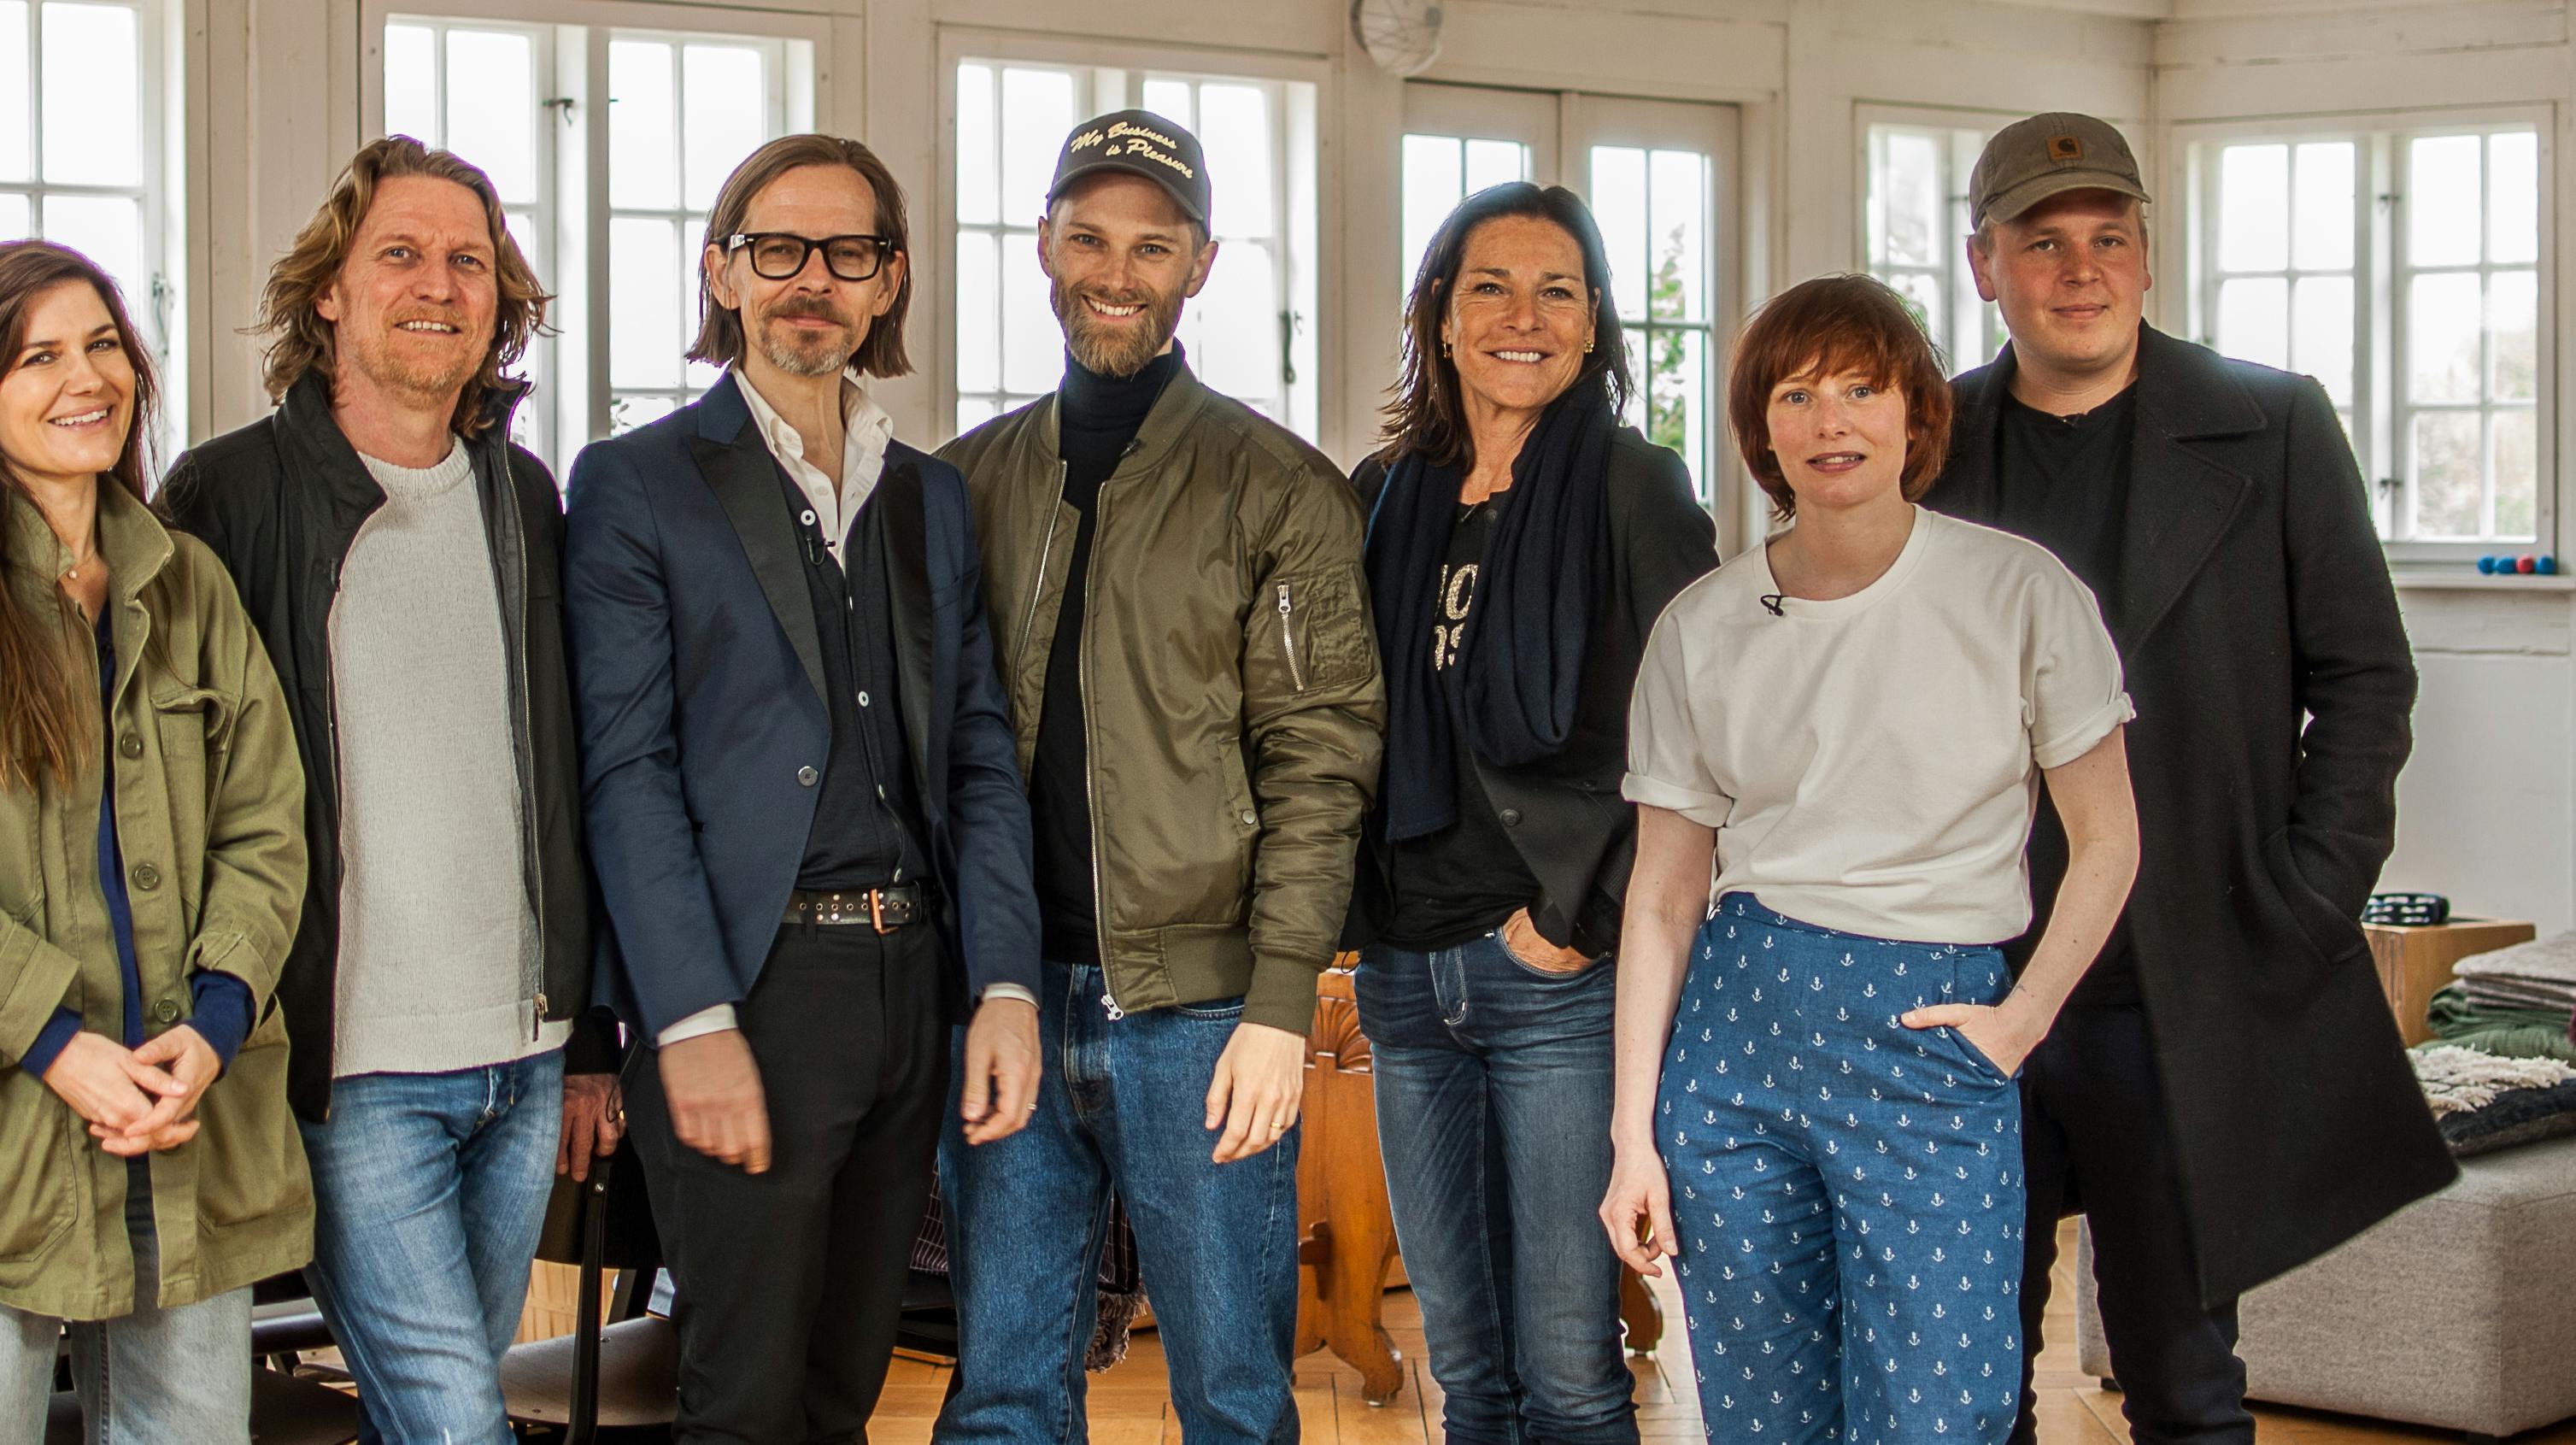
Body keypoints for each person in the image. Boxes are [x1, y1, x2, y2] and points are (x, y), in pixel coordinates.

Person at [1926, 113, 2456, 1445]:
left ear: (2147, 258)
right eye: (2043, 243)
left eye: (2109, 239)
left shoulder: (2272, 424)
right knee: (1962, 1380)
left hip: (2181, 976)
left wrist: (2309, 898)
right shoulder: (1928, 439)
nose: (2081, 271)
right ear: (1984, 264)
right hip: (1972, 972)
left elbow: (2366, 679)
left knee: (2186, 1382)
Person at [1601, 273, 2141, 1444]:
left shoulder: (2019, 593)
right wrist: (1632, 1133)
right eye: (1795, 395)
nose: (1829, 420)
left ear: (1915, 414)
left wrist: (2021, 1022)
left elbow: (2108, 839)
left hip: (1930, 1030)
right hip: (1736, 1038)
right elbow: (1663, 896)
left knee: (1939, 1413)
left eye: (1861, 389)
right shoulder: (1700, 625)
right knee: (1763, 1415)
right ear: (1761, 430)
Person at [564, 133, 1042, 1443]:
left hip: (914, 988)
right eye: (777, 249)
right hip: (754, 989)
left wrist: (1005, 987)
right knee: (746, 1400)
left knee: (847, 1390)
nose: (810, 280)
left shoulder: (931, 499)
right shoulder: (636, 484)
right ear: (723, 274)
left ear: (889, 283)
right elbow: (626, 776)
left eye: (847, 253)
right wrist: (688, 1019)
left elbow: (978, 759)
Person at [159, 137, 622, 1445]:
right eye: (401, 254)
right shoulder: (226, 494)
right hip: (347, 1069)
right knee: (458, 1426)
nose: (439, 284)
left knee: (429, 1421)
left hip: (522, 1060)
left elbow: (569, 777)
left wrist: (586, 1036)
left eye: (468, 260)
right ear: (331, 290)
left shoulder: (522, 496)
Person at [934, 110, 1383, 1445]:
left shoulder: (1279, 488)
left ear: (1201, 264)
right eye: (1090, 239)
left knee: (1234, 1398)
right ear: (1044, 247)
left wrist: (1281, 1003)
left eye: (1151, 246)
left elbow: (1321, 762)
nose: (1116, 273)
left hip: (1202, 1014)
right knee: (1002, 1397)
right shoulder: (962, 486)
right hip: (1009, 1000)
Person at [1344, 181, 1714, 1445]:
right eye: (1490, 287)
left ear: (1594, 322)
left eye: (1558, 291)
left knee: (1568, 1370)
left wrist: (1579, 918)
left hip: (1555, 973)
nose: (1523, 316)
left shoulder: (1633, 485)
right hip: (1406, 976)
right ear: (1441, 316)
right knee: (1465, 1364)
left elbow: (1698, 732)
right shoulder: (1387, 491)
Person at [0, 240, 309, 1442]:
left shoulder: (190, 583)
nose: (86, 378)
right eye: (38, 357)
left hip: (189, 1128)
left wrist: (214, 1025)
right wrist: (54, 1044)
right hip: (22, 1135)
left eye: (102, 345)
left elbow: (266, 823)